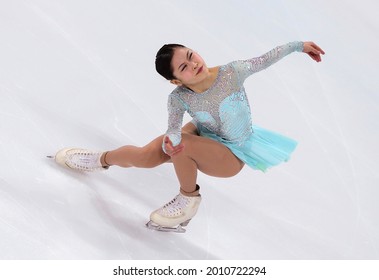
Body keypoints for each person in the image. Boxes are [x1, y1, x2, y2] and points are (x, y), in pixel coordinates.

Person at [53, 41, 325, 232]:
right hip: (204, 134)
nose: (194, 64)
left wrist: (300, 45)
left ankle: (188, 198)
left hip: (233, 154)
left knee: (184, 145)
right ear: (176, 81)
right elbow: (173, 127)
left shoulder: (232, 72)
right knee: (151, 153)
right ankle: (102, 159)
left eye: (191, 56)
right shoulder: (178, 98)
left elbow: (267, 58)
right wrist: (171, 141)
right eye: (183, 67)